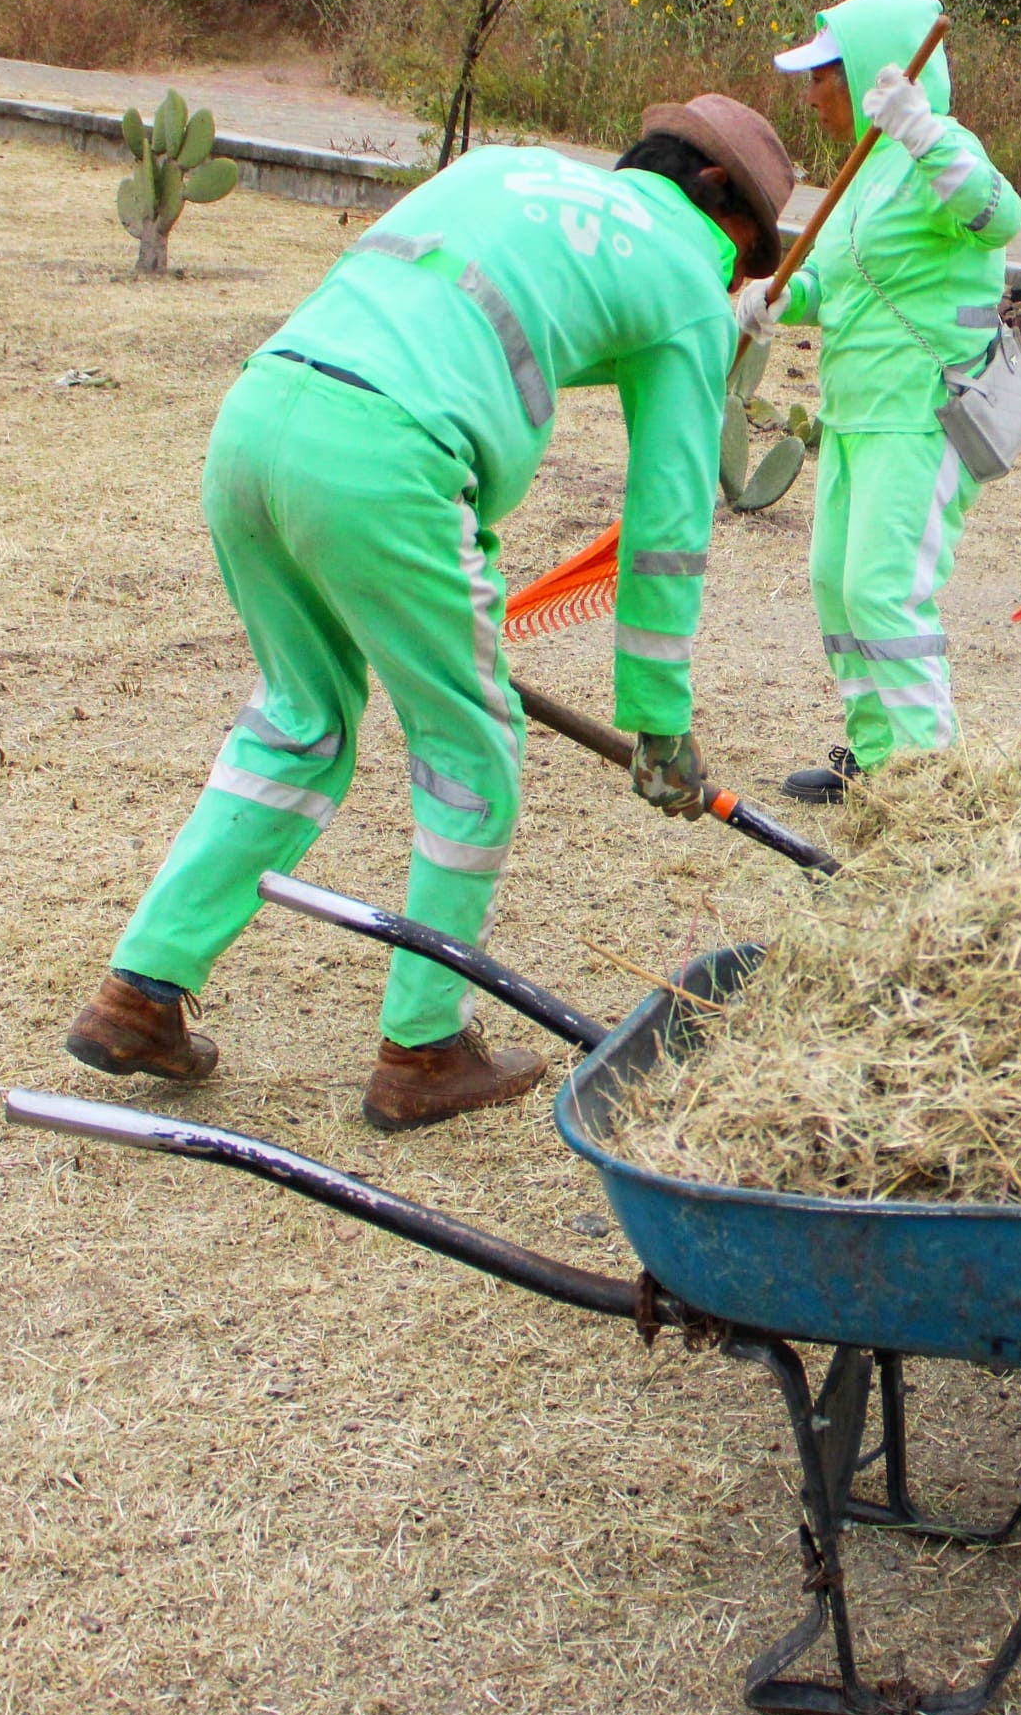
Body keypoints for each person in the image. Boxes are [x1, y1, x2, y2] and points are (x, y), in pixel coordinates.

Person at [64, 98, 794, 1131]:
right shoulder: (681, 273)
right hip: (388, 462)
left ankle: (139, 992)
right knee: (472, 749)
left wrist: (703, 323)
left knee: (300, 721)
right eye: (744, 249)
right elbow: (668, 514)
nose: (730, 272)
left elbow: (495, 311)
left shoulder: (513, 172)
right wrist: (660, 719)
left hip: (260, 419)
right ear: (716, 197)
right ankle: (425, 1047)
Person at [747, 0, 1021, 803]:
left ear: (873, 74)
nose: (810, 96)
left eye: (822, 76)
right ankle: (874, 755)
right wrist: (773, 299)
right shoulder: (864, 170)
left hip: (922, 415)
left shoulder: (938, 151)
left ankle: (929, 779)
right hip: (853, 413)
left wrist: (923, 131)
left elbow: (998, 216)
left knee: (884, 589)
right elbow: (829, 279)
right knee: (836, 579)